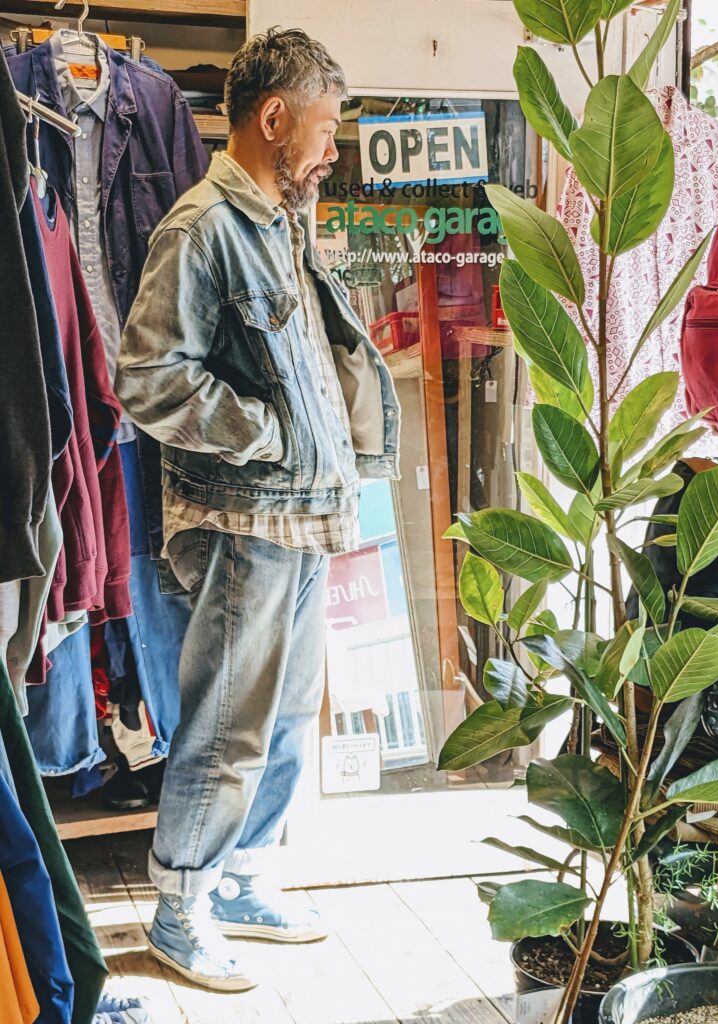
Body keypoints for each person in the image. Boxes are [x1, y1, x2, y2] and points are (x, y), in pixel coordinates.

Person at [115, 27, 400, 990]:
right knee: (229, 723)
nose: (331, 150)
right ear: (272, 118)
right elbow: (148, 379)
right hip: (246, 522)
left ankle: (245, 877)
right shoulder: (202, 227)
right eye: (322, 129)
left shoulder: (279, 216)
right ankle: (178, 908)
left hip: (305, 515)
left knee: (287, 711)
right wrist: (269, 436)